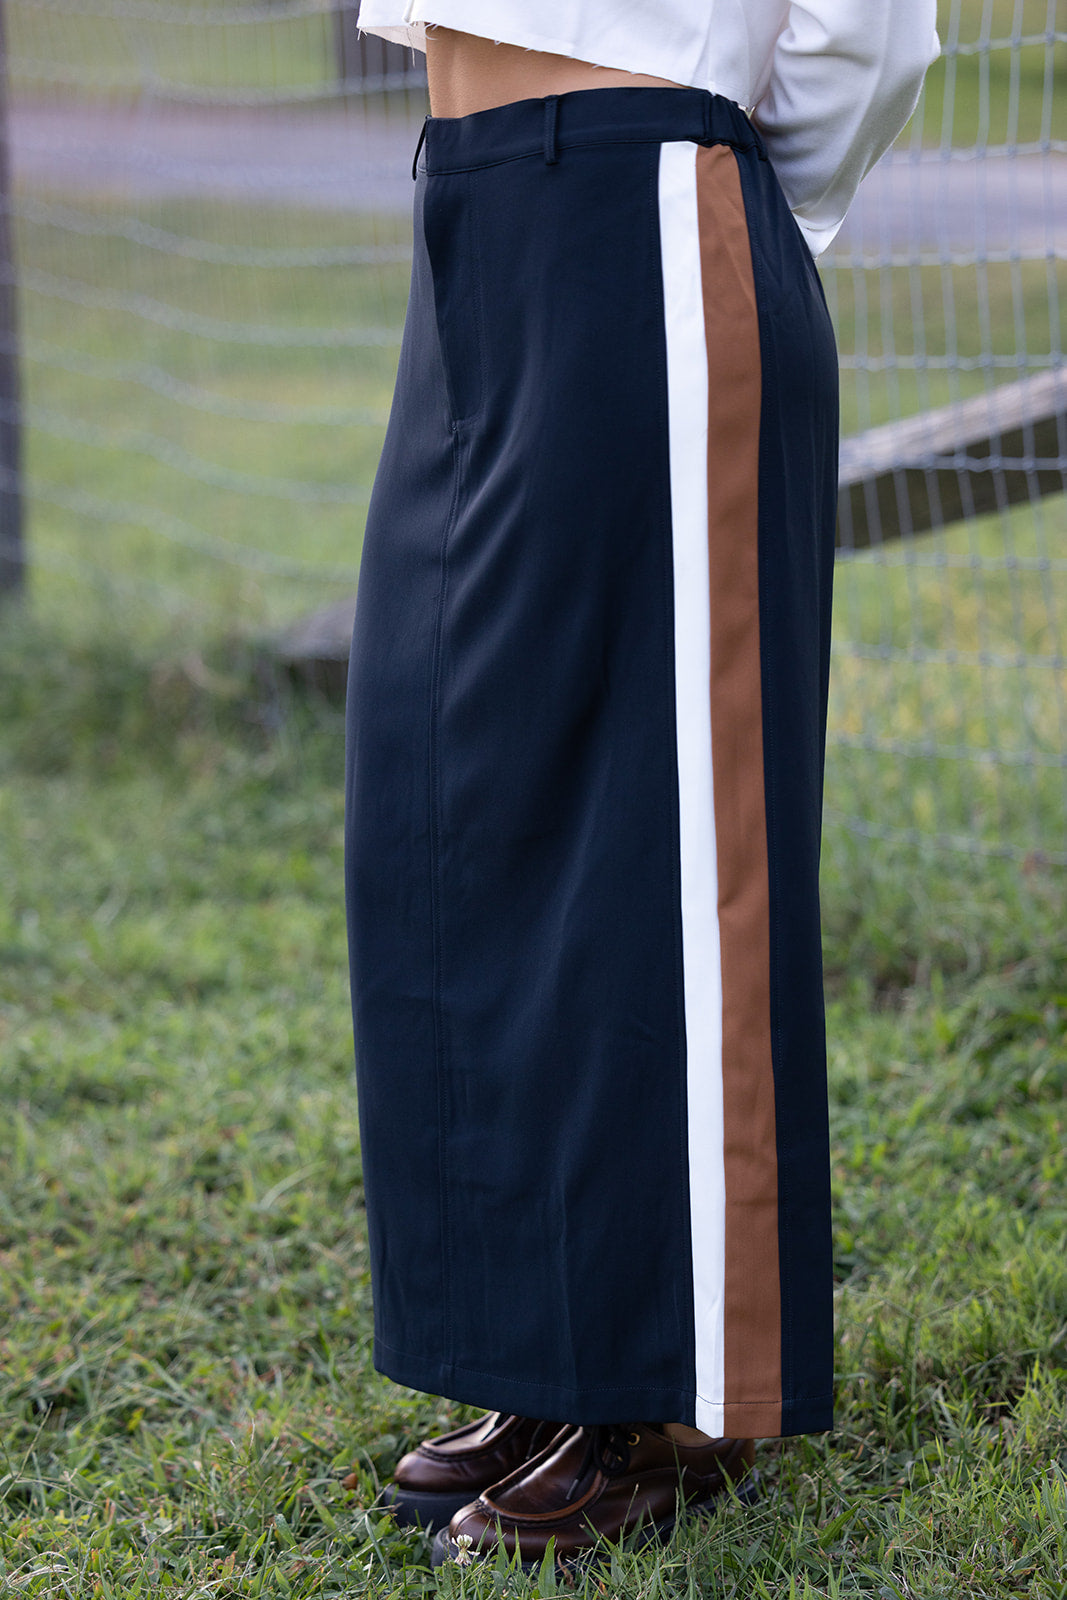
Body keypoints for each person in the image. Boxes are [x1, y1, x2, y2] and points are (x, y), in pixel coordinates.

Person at [344, 0, 939, 1569]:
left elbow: (875, 32)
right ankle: (551, 1357)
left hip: (645, 198)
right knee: (458, 794)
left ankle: (676, 1396)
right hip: (473, 196)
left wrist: (716, 178)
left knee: (652, 840)